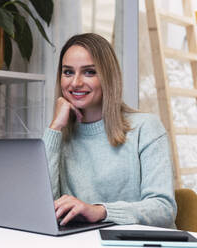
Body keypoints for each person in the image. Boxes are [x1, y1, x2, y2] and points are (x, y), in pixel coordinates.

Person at [42, 33, 177, 228]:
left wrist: (100, 211)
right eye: (68, 72)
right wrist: (54, 128)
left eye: (89, 72)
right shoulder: (59, 136)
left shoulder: (146, 128)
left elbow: (163, 209)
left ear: (108, 76)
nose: (75, 83)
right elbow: (44, 208)